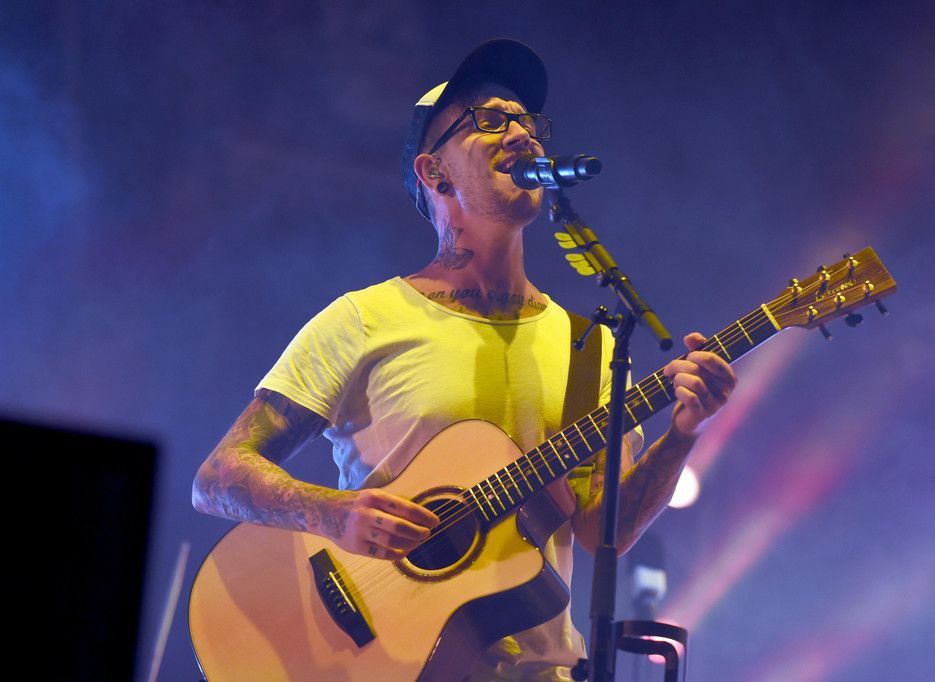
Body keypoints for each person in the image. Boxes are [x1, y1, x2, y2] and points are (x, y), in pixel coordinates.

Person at [192, 39, 737, 681]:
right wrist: (333, 514)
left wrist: (681, 436)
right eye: (489, 120)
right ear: (435, 172)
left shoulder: (590, 348)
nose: (522, 133)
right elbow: (218, 477)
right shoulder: (364, 319)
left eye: (527, 122)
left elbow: (600, 532)